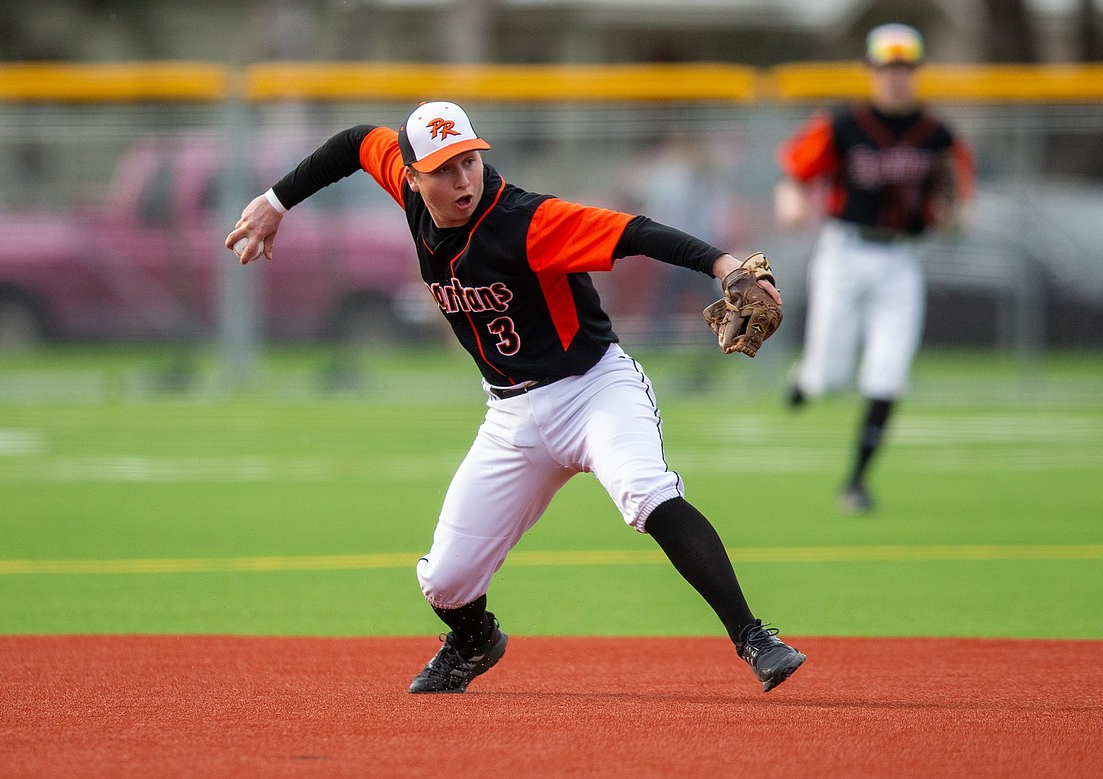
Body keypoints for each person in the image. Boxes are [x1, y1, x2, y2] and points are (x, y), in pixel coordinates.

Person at [226, 100, 805, 694]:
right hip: (511, 414)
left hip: (594, 391)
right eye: (445, 169)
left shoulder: (527, 219)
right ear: (412, 174)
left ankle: (755, 637)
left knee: (645, 491)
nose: (462, 180)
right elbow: (352, 141)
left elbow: (633, 232)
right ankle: (475, 641)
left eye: (470, 161)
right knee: (445, 581)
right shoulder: (405, 185)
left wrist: (724, 264)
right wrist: (275, 204)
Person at [774, 23, 975, 515]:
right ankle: (808, 378)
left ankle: (857, 482)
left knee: (888, 372)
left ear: (917, 73)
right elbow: (795, 175)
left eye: (904, 68)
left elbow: (959, 199)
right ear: (870, 71)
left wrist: (952, 217)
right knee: (831, 376)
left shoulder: (938, 135)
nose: (895, 78)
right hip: (845, 250)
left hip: (901, 258)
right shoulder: (844, 124)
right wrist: (793, 203)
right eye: (887, 68)